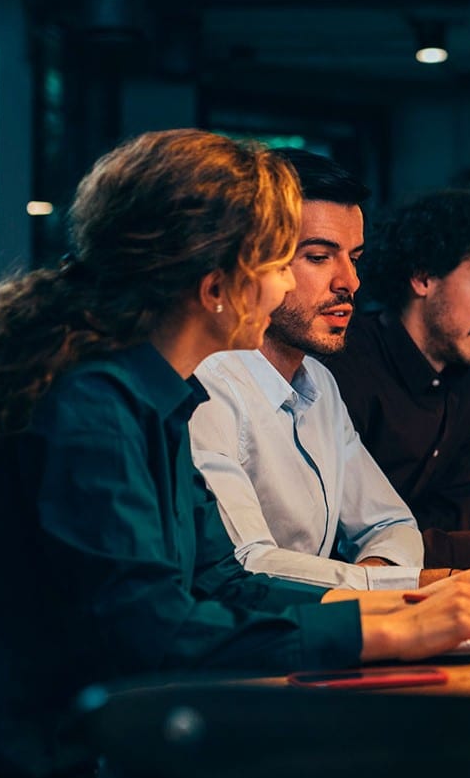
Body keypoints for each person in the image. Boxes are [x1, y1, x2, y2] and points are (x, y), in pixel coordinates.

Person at [0, 131, 470, 776]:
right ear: (216, 286)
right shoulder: (90, 408)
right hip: (27, 755)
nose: (289, 283)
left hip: (106, 735)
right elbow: (151, 633)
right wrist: (385, 629)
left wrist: (405, 607)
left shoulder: (154, 396)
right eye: (278, 262)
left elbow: (224, 582)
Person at [189, 149, 444, 590]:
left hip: (328, 630)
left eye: (355, 257)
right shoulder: (209, 381)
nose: (350, 281)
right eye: (319, 257)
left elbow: (390, 524)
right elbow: (246, 565)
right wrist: (385, 589)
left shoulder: (320, 383)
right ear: (254, 261)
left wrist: (376, 582)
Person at [322, 189, 470, 569]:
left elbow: (455, 515)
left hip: (431, 586)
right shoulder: (344, 361)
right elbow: (340, 543)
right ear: (423, 277)